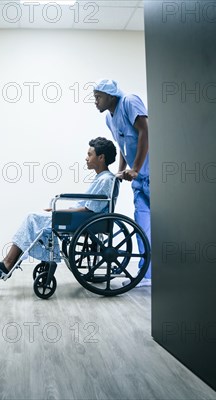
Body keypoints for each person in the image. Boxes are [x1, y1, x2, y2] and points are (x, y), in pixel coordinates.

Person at [0, 137, 118, 276]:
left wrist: (60, 211)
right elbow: (88, 206)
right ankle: (14, 262)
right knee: (36, 220)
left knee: (32, 218)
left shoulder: (105, 179)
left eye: (90, 155)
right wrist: (58, 211)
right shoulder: (102, 178)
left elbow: (89, 209)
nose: (86, 158)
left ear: (101, 157)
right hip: (84, 218)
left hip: (87, 220)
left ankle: (8, 263)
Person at [93, 79, 151, 287]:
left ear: (110, 95)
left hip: (153, 175)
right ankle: (147, 275)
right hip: (140, 181)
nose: (96, 102)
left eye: (98, 97)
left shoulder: (129, 102)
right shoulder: (110, 118)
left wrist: (134, 168)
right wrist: (120, 171)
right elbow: (122, 145)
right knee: (143, 228)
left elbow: (145, 131)